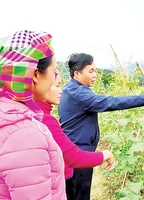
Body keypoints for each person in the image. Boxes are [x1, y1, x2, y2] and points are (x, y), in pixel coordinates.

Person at [58, 53, 144, 200]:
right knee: (79, 195)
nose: (95, 75)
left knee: (72, 193)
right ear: (77, 73)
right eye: (91, 71)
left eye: (96, 71)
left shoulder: (71, 89)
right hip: (79, 154)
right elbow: (111, 102)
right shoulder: (79, 92)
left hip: (74, 150)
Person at [0, 30, 66, 199]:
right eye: (54, 70)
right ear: (35, 74)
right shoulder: (23, 135)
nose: (54, 78)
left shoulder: (7, 114)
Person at [36, 71, 115, 200]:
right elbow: (74, 157)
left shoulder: (32, 113)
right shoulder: (44, 120)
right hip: (60, 181)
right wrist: (105, 155)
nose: (61, 91)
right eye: (57, 86)